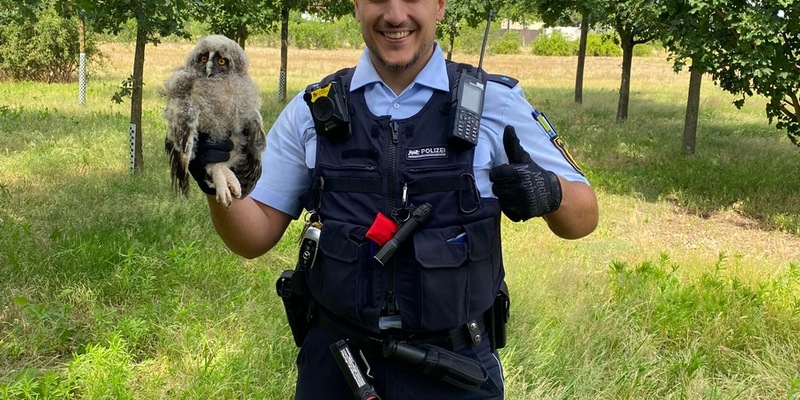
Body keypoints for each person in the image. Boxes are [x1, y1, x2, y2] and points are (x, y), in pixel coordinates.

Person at [189, 0, 599, 398]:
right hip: (339, 370)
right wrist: (215, 179)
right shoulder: (312, 110)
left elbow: (584, 217)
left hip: (456, 373)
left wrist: (550, 192)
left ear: (440, 5)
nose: (395, 14)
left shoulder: (495, 103)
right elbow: (252, 237)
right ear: (356, 6)